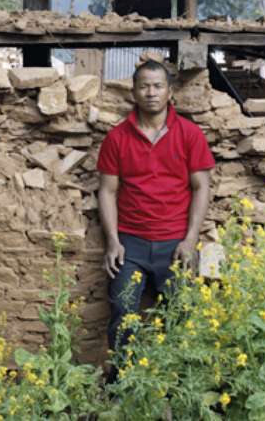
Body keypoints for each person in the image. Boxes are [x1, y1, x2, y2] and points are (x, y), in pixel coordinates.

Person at [97, 58, 215, 361]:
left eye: (158, 86)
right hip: (130, 245)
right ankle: (122, 384)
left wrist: (190, 240)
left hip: (175, 243)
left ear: (169, 92)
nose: (151, 92)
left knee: (182, 314)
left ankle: (174, 384)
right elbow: (108, 192)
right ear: (133, 92)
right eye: (144, 86)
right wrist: (113, 241)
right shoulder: (117, 138)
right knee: (123, 311)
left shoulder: (189, 134)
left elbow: (201, 188)